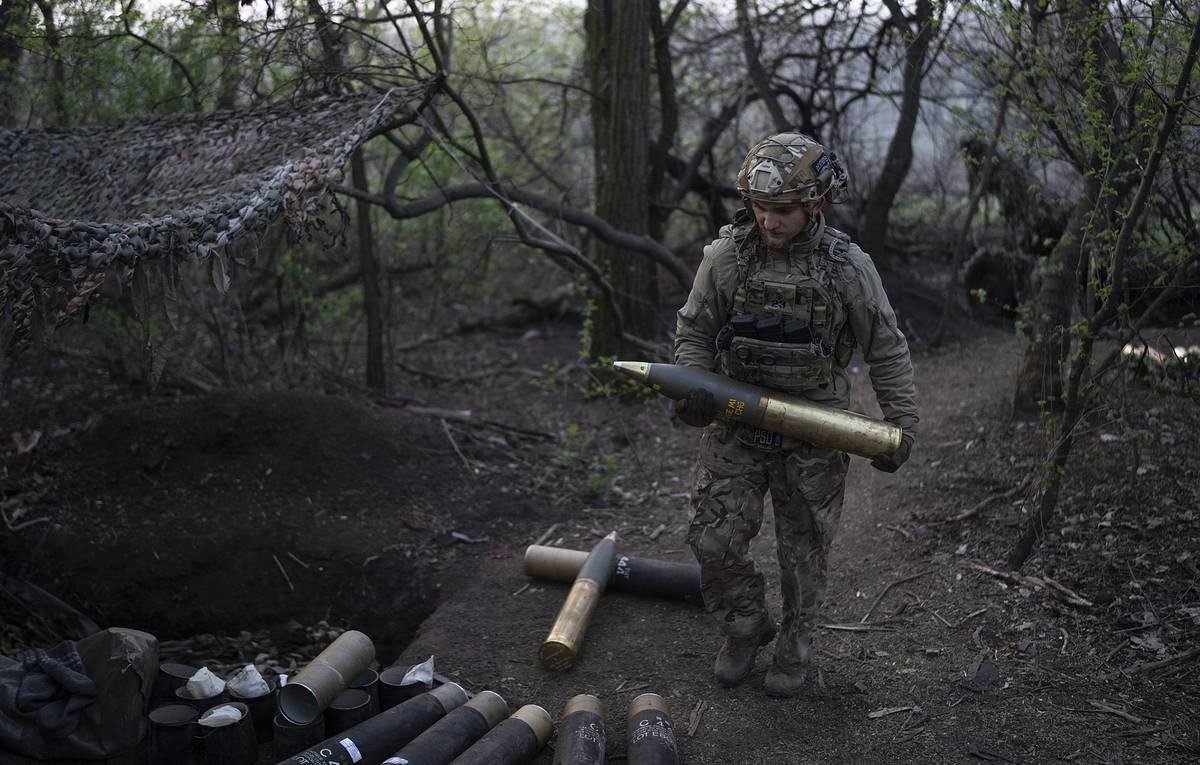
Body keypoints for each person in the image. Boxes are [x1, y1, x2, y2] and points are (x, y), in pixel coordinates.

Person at [673, 132, 918, 697]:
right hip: (737, 419)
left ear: (815, 205)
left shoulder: (848, 268)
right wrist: (694, 385)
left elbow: (885, 345)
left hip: (814, 426)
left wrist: (901, 425)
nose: (769, 222)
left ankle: (796, 639)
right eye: (760, 208)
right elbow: (694, 330)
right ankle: (743, 626)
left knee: (804, 550)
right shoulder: (726, 258)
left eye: (781, 210)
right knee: (713, 540)